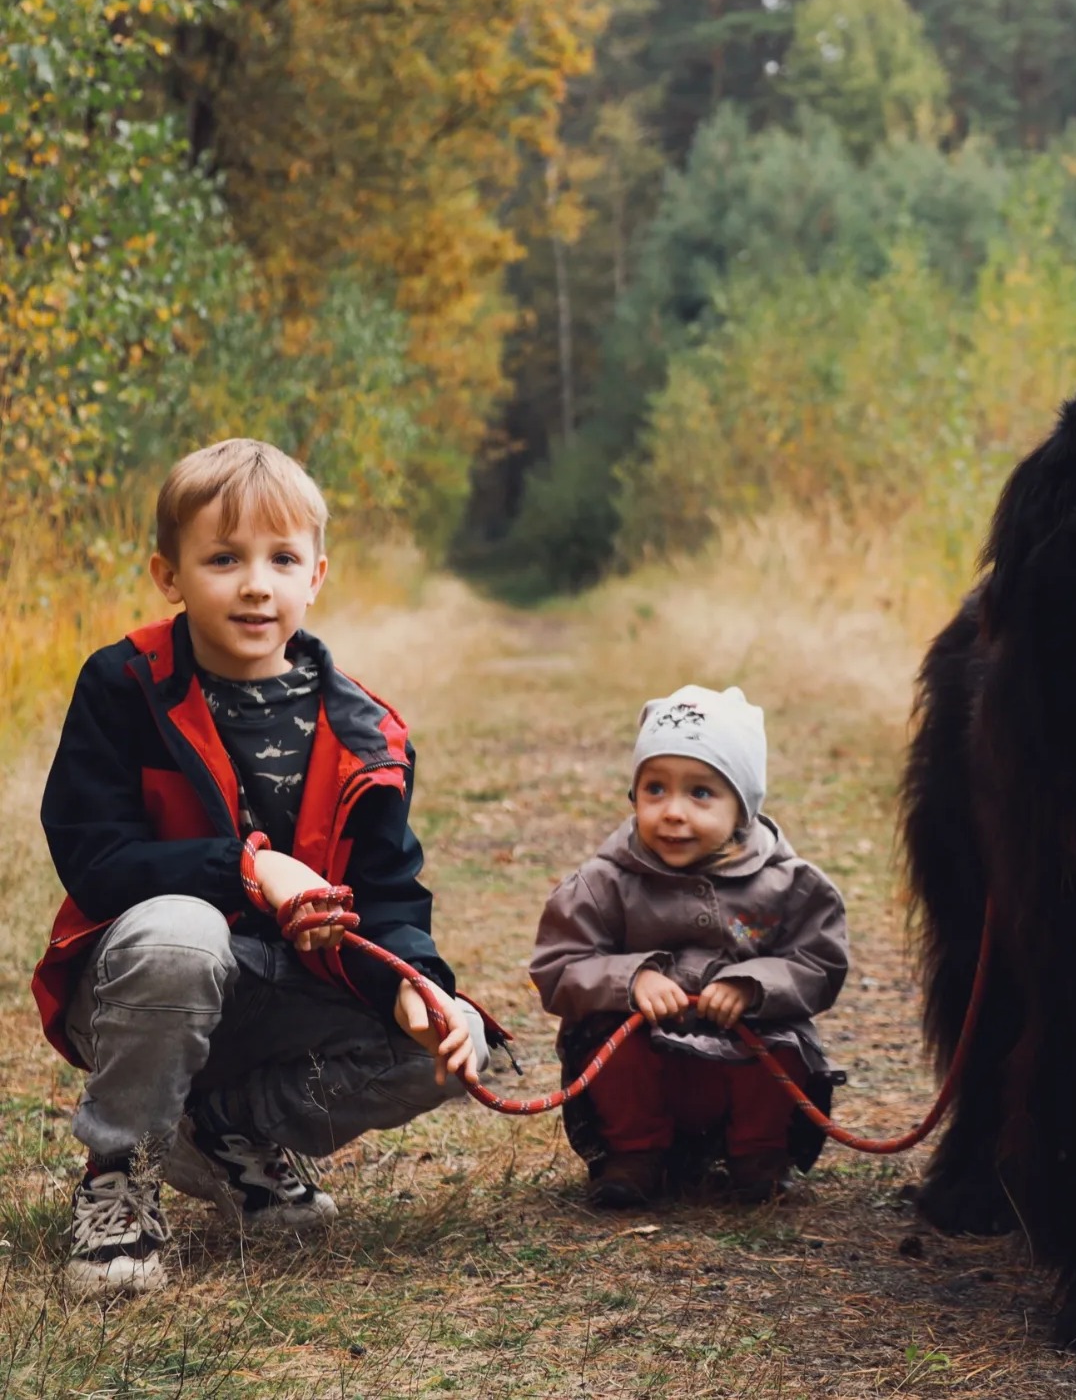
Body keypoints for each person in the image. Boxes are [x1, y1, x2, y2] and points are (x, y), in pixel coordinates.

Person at [35, 437, 490, 1296]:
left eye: (282, 558)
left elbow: (390, 891)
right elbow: (96, 859)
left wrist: (416, 981)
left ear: (316, 574)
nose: (256, 583)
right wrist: (250, 868)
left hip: (280, 988)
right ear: (169, 574)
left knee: (454, 1035)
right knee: (185, 930)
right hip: (142, 982)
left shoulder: (365, 731)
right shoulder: (124, 685)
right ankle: (120, 1172)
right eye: (223, 558)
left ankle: (224, 1127)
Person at [530, 684, 849, 1208]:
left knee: (781, 1042)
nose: (673, 811)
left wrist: (755, 985)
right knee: (611, 1042)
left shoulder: (789, 885)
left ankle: (759, 1156)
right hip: (649, 1071)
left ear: (742, 808)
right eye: (655, 789)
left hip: (740, 1071)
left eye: (701, 793)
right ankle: (633, 1156)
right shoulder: (603, 883)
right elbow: (558, 965)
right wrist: (632, 979)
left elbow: (820, 961)